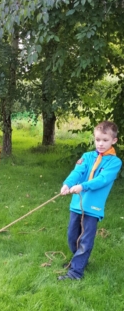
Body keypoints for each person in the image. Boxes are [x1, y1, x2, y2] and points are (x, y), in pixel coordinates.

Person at [58, 120, 122, 280]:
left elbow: (102, 179)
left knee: (85, 239)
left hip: (93, 208)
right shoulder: (87, 156)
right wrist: (67, 184)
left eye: (105, 140)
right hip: (76, 205)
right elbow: (77, 172)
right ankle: (78, 260)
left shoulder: (115, 162)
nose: (100, 144)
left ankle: (76, 272)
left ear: (114, 140)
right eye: (98, 139)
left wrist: (82, 186)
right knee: (72, 237)